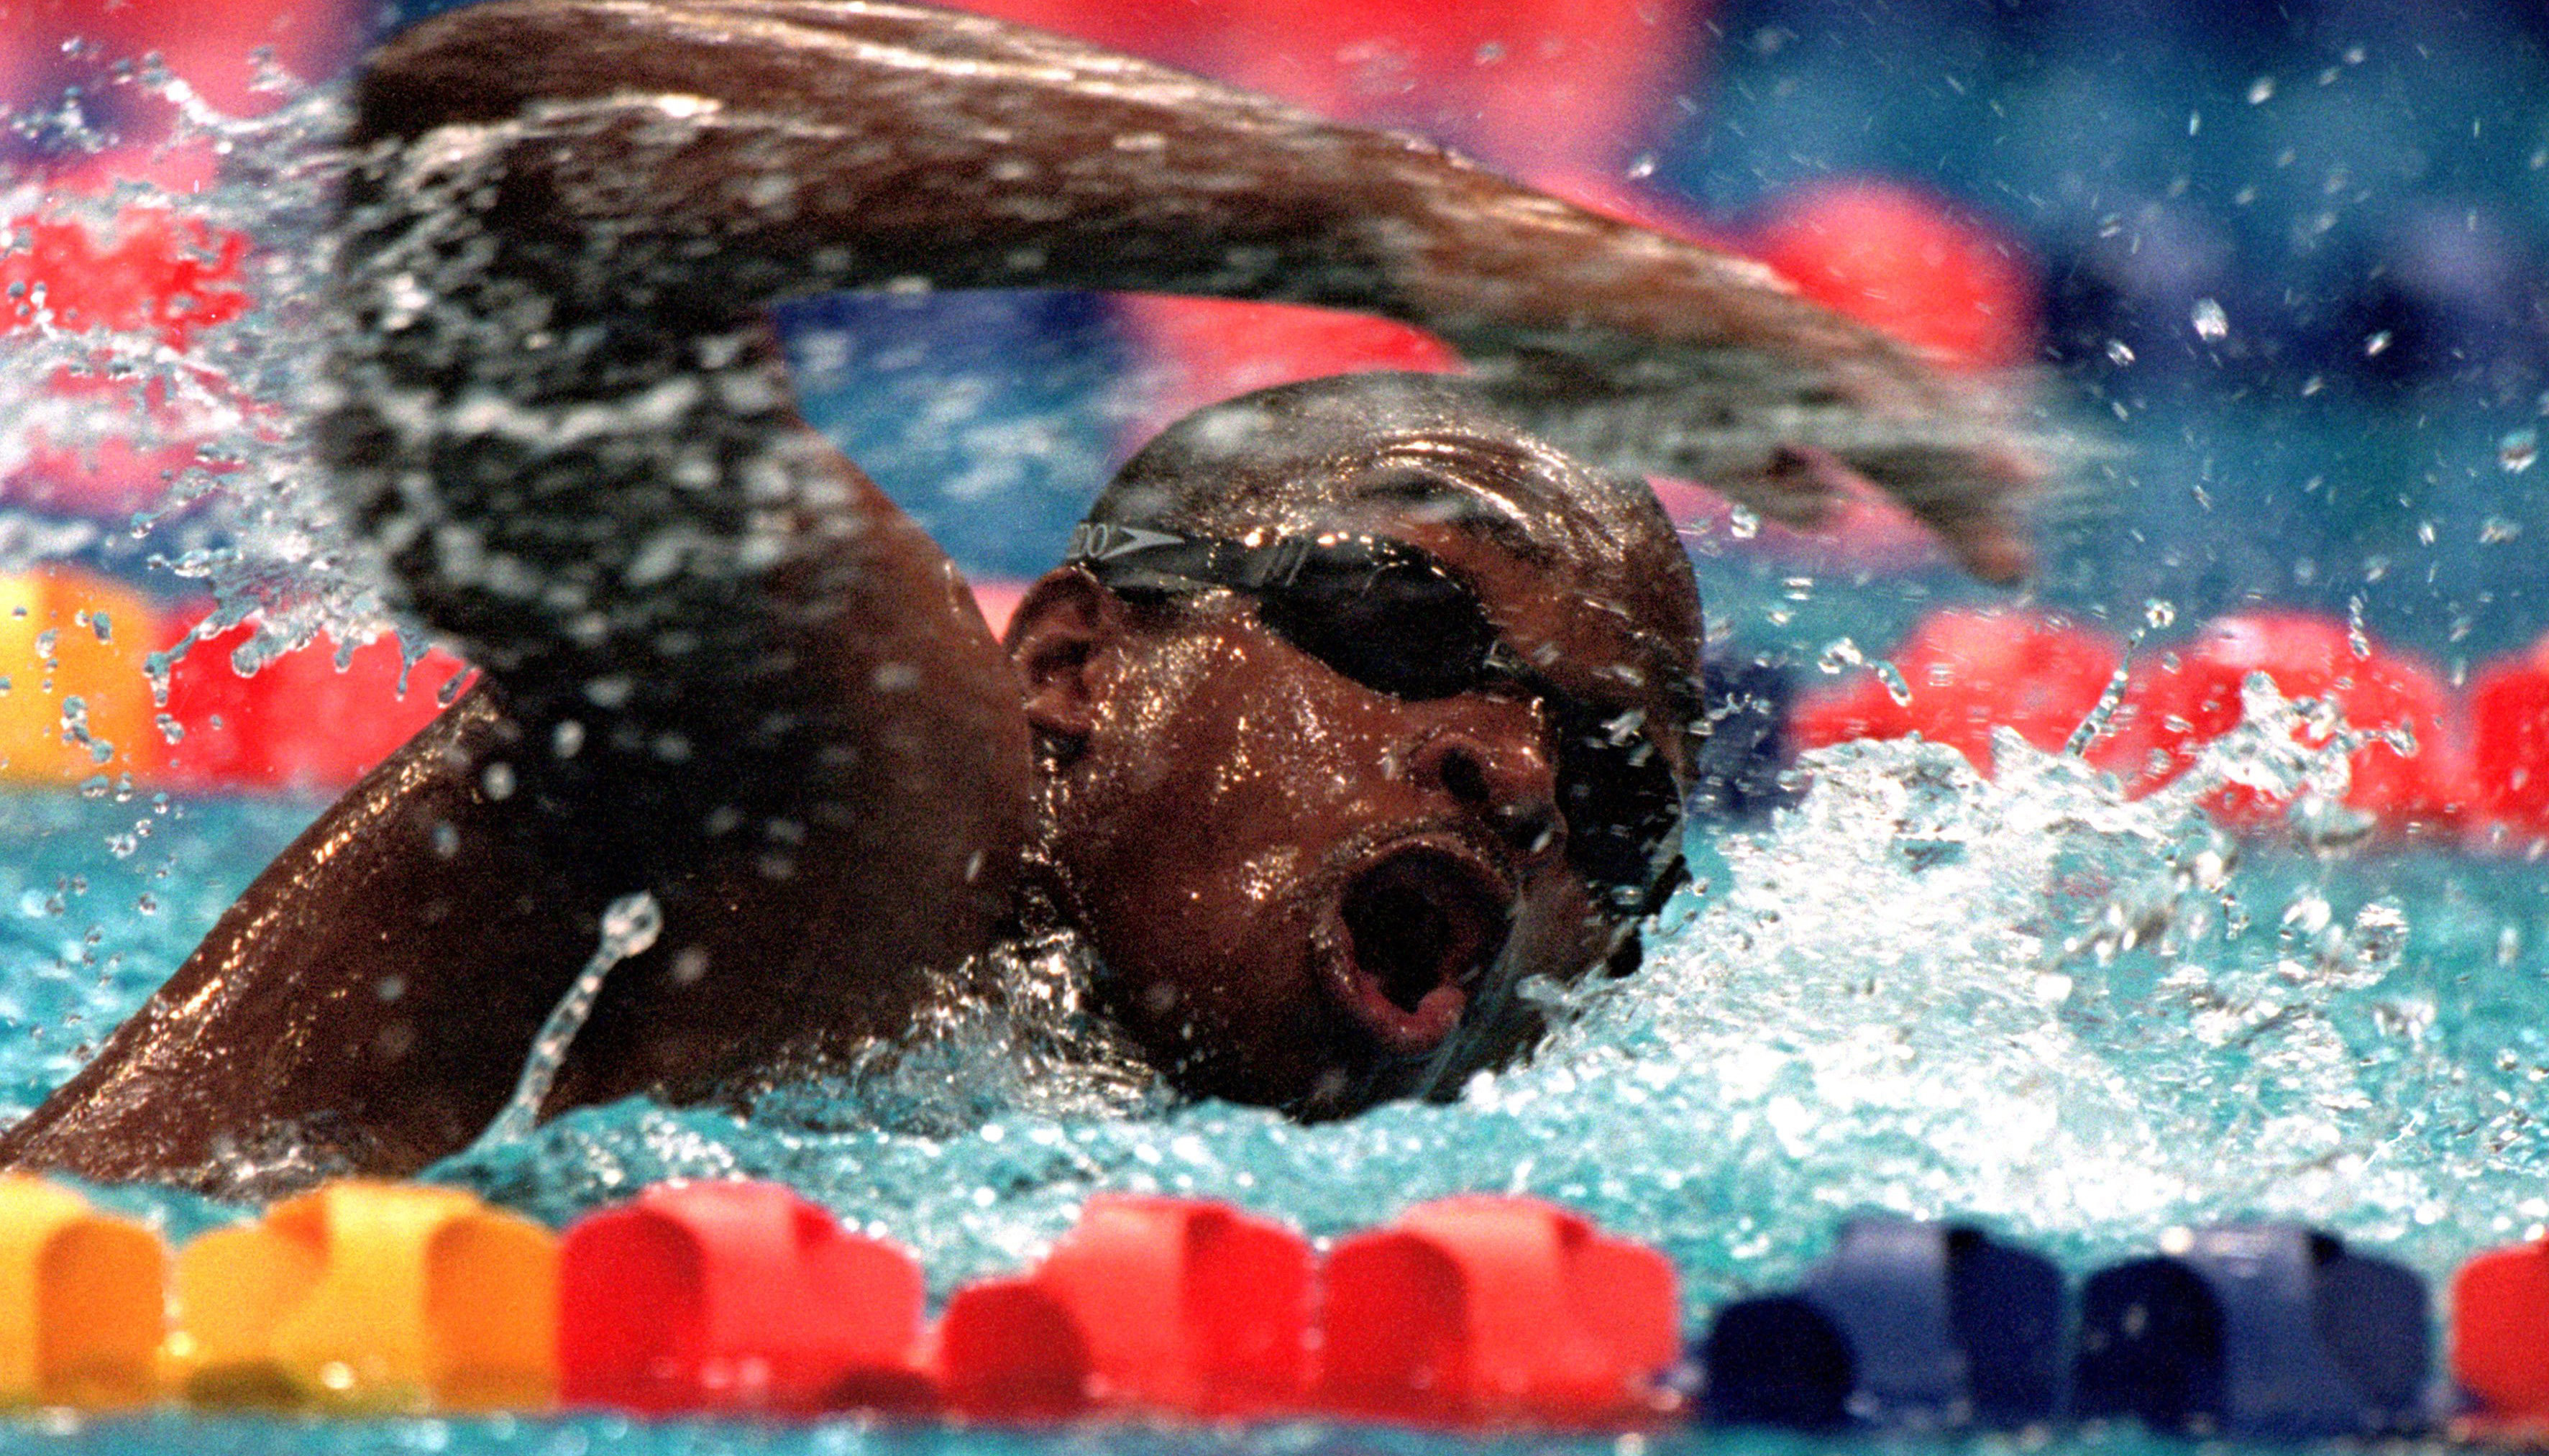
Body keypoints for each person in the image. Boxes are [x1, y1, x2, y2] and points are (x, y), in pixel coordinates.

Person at [0, 0, 2033, 1194]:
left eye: (1618, 781)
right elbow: (510, 155)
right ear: (1072, 664)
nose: (1512, 761)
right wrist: (1390, 217)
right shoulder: (899, 787)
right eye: (1407, 625)